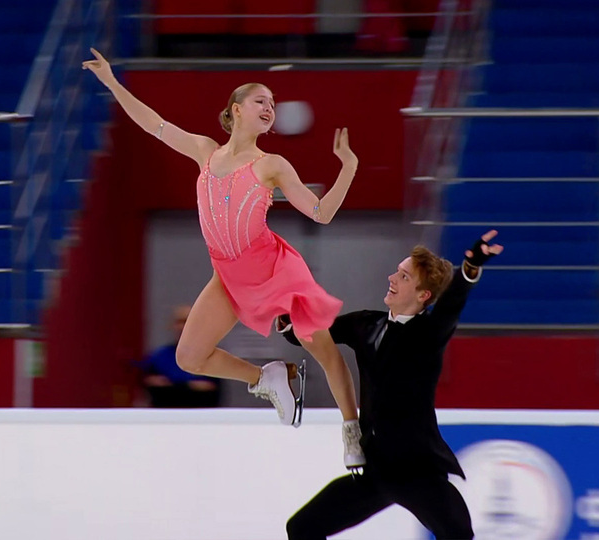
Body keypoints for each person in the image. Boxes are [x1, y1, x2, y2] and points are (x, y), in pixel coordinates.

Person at [83, 48, 365, 467]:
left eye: (272, 104)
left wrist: (349, 168)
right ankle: (266, 377)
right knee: (188, 356)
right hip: (228, 276)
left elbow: (321, 213)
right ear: (236, 109)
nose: (269, 108)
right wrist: (111, 82)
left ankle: (352, 429)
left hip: (274, 270)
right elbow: (153, 123)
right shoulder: (205, 150)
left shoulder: (272, 164)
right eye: (261, 101)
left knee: (323, 350)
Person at [281, 231, 504, 540]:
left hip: (418, 471)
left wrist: (469, 269)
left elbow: (451, 305)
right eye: (397, 271)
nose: (392, 278)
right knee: (302, 527)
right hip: (376, 471)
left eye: (403, 276)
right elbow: (315, 333)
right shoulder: (365, 324)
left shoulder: (428, 334)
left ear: (423, 295)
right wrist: (285, 316)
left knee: (458, 533)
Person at [140, 305, 221, 408]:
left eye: (188, 321)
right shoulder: (159, 356)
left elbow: (212, 389)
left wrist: (174, 385)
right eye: (180, 322)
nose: (183, 327)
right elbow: (150, 384)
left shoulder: (210, 355)